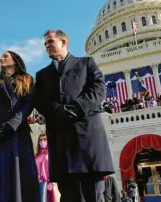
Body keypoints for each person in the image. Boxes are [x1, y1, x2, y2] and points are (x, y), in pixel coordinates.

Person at [33, 29, 115, 202]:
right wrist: (57, 110)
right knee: (69, 195)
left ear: (64, 42)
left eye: (50, 41)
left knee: (93, 194)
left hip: (87, 139)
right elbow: (39, 101)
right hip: (61, 143)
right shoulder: (42, 75)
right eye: (45, 43)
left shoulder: (86, 63)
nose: (47, 46)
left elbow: (99, 88)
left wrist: (78, 107)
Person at [0, 51, 40, 202]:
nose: (1, 58)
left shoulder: (27, 80)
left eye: (5, 56)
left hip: (17, 135)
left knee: (19, 180)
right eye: (0, 56)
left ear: (16, 60)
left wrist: (11, 125)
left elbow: (28, 105)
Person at [35, 133, 60, 202]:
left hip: (50, 186)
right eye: (40, 140)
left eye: (45, 139)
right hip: (38, 186)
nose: (42, 142)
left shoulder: (51, 156)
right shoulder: (36, 157)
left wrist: (50, 183)